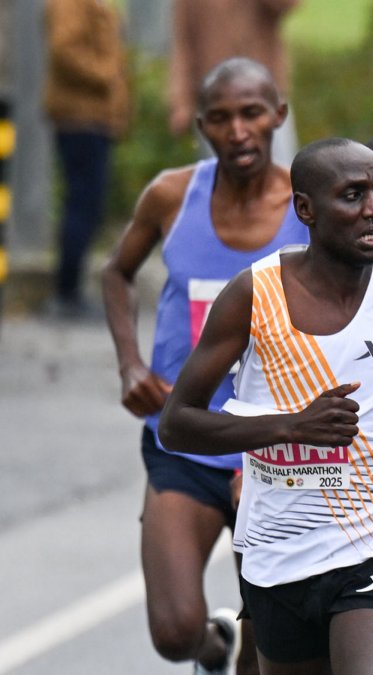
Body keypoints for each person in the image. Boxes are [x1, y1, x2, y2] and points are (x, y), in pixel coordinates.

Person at [158, 138, 373, 674]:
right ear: (305, 209)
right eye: (353, 196)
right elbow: (177, 425)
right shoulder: (253, 296)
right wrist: (289, 426)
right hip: (280, 550)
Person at [100, 58, 305, 675]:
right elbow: (115, 272)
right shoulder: (172, 194)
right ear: (202, 126)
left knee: (270, 649)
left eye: (251, 114)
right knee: (173, 631)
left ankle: (245, 649)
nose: (238, 130)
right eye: (220, 118)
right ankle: (213, 646)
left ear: (278, 115)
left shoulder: (309, 203)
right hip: (183, 436)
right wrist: (130, 364)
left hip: (276, 446)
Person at [42, 0, 129, 318]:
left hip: (94, 118)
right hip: (80, 117)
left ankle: (71, 290)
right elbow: (64, 49)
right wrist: (107, 73)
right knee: (82, 204)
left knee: (88, 205)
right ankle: (66, 293)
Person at [170, 0, 299, 163]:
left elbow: (288, 5)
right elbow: (184, 43)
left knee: (281, 171)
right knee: (221, 174)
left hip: (264, 99)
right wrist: (180, 101)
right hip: (216, 102)